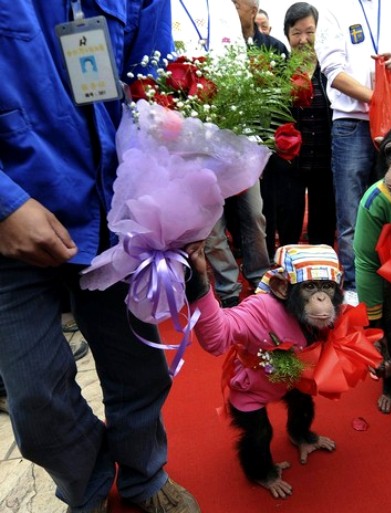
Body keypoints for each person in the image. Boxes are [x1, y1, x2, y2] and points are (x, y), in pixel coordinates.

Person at [0, 2, 200, 512]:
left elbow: (155, 95)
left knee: (140, 369)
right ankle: (88, 485)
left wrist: (182, 202)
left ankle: (144, 475)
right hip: (11, 224)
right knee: (35, 402)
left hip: (116, 215)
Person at [313, 0, 391, 303]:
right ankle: (356, 285)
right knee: (351, 211)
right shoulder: (333, 9)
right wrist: (377, 98)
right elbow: (333, 71)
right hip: (351, 122)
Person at [204, 0, 287, 307]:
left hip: (241, 138)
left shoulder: (259, 48)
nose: (234, 7)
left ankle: (259, 278)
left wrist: (259, 148)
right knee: (211, 224)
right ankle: (227, 290)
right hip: (198, 141)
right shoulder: (183, 16)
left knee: (254, 214)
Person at [276, 2, 336, 248]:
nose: (303, 39)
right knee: (288, 225)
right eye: (296, 33)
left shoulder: (331, 69)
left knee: (323, 229)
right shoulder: (279, 70)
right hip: (291, 163)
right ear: (287, 35)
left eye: (309, 32)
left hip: (325, 158)